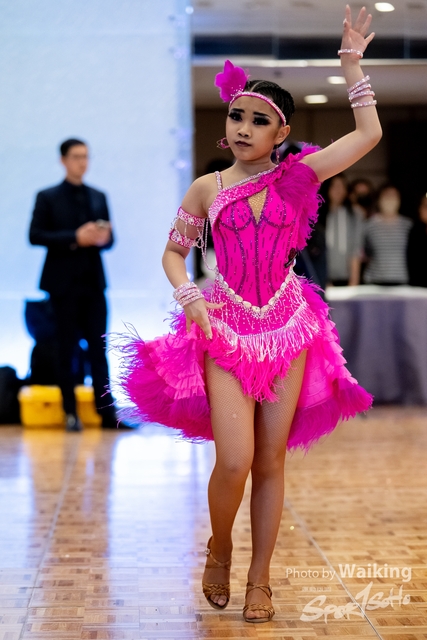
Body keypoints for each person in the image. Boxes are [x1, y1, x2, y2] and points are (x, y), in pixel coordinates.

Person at [116, 6, 381, 623]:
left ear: (281, 132)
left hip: (287, 325)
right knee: (233, 460)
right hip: (225, 327)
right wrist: (189, 297)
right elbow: (173, 253)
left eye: (259, 120)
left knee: (269, 460)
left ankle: (260, 579)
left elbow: (367, 135)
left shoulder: (301, 175)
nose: (243, 127)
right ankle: (219, 548)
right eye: (237, 115)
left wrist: (351, 66)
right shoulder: (206, 189)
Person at [29, 138, 127, 432]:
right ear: (63, 160)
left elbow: (110, 239)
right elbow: (35, 235)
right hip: (62, 286)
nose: (82, 162)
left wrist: (103, 237)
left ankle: (106, 415)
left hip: (93, 283)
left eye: (85, 156)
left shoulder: (98, 196)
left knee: (99, 349)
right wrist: (75, 237)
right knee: (66, 349)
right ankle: (70, 413)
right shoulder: (47, 196)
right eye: (76, 156)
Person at [363, 184, 412, 285]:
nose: (390, 199)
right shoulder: (369, 225)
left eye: (393, 196)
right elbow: (362, 252)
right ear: (379, 199)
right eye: (387, 195)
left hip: (401, 281)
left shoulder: (409, 225)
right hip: (374, 281)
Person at [319, 173, 364, 286]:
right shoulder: (318, 215)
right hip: (323, 278)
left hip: (348, 278)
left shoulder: (355, 214)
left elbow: (356, 248)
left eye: (342, 186)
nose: (338, 190)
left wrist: (353, 282)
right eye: (334, 186)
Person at [407, 194, 427, 287]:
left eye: (425, 206)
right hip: (418, 288)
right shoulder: (415, 232)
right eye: (422, 205)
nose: (421, 209)